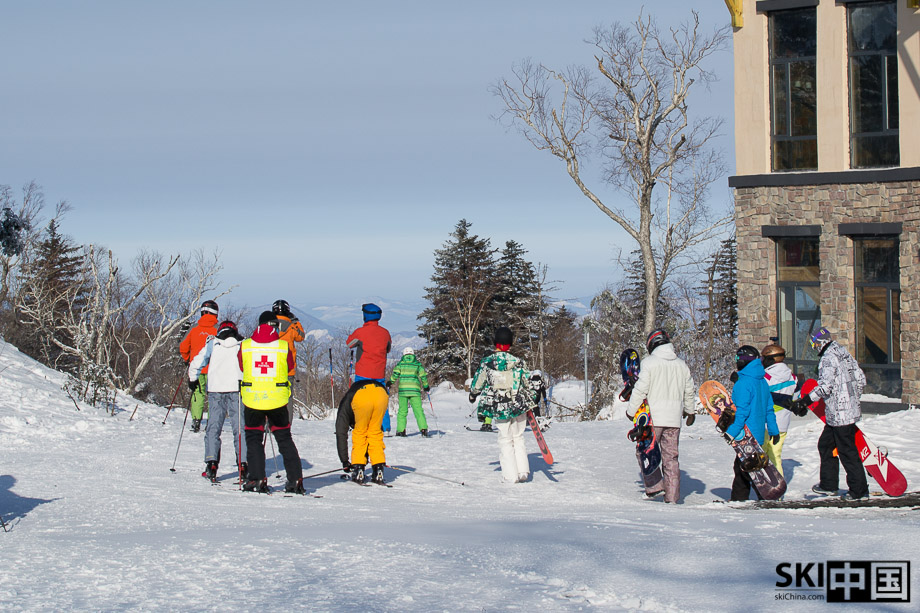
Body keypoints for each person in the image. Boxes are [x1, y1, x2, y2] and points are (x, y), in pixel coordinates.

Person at [790, 327, 869, 500]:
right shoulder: (842, 351)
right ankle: (828, 484)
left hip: (841, 414)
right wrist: (853, 399)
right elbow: (861, 378)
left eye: (813, 343)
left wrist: (805, 401)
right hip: (842, 413)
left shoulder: (827, 358)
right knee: (825, 445)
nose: (813, 347)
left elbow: (825, 387)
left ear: (818, 342)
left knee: (847, 451)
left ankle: (859, 491)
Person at [238, 311, 304, 494]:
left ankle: (257, 479)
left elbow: (242, 366)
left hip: (253, 399)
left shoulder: (246, 346)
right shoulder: (283, 346)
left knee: (253, 439)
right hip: (278, 399)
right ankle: (295, 479)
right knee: (284, 439)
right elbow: (290, 366)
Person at [627, 328, 696, 503]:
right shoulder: (682, 365)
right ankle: (672, 498)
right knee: (671, 458)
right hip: (674, 420)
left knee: (644, 451)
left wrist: (631, 410)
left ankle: (655, 486)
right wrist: (690, 411)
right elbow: (689, 391)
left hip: (654, 419)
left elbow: (641, 389)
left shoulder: (650, 363)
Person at [469, 326, 535, 483]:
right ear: (510, 344)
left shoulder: (488, 362)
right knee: (518, 436)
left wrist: (473, 393)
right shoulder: (519, 363)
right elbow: (528, 383)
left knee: (505, 438)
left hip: (500, 405)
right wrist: (532, 400)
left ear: (495, 343)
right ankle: (523, 471)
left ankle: (510, 475)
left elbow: (478, 382)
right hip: (518, 403)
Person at [188, 320, 246, 483]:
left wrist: (193, 379)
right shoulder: (242, 344)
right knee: (239, 428)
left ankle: (211, 463)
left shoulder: (213, 344)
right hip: (237, 389)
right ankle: (243, 464)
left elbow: (197, 362)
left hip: (215, 390)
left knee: (213, 428)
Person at [725, 346, 780, 501]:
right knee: (748, 468)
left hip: (746, 436)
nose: (736, 362)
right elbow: (769, 409)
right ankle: (741, 498)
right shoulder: (762, 381)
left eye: (737, 359)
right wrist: (774, 431)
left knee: (744, 469)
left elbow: (741, 412)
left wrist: (731, 432)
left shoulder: (743, 384)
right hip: (759, 437)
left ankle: (740, 499)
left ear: (743, 360)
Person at [346, 303, 392, 433]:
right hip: (379, 373)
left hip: (363, 372)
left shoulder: (360, 332)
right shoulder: (385, 333)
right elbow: (387, 349)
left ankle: (359, 425)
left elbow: (349, 343)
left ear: (365, 316)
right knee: (381, 399)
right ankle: (385, 426)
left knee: (360, 399)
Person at [335, 377, 389, 484]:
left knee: (360, 432)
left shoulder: (345, 405)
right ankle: (378, 469)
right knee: (375, 433)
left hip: (362, 396)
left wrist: (345, 462)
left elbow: (341, 432)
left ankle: (358, 469)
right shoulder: (349, 399)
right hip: (381, 393)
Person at [180, 300, 219, 433]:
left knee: (198, 394)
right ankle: (212, 422)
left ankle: (196, 421)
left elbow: (183, 346)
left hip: (197, 368)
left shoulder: (194, 328)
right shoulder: (218, 329)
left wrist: (187, 359)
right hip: (214, 369)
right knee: (214, 395)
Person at [761, 343, 795, 477]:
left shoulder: (765, 377)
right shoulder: (792, 376)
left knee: (761, 454)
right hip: (783, 423)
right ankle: (778, 487)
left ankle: (765, 484)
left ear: (770, 359)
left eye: (763, 358)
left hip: (767, 422)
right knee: (776, 456)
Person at [272, 299, 306, 422]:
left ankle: (269, 423)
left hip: (271, 367)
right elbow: (301, 336)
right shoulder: (292, 326)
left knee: (270, 396)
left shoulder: (269, 325)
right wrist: (295, 321)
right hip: (288, 367)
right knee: (288, 397)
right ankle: (286, 424)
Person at [389, 347, 430, 437]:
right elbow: (423, 376)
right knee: (418, 410)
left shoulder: (400, 364)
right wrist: (426, 386)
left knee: (402, 411)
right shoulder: (417, 364)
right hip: (415, 391)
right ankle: (423, 429)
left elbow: (395, 375)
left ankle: (401, 431)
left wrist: (390, 382)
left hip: (403, 391)